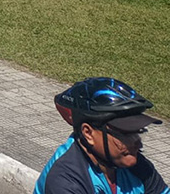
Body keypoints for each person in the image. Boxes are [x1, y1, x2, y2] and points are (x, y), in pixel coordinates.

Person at [35, 77, 166, 194]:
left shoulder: (137, 165)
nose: (138, 144)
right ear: (88, 133)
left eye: (138, 133)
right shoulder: (65, 181)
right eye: (125, 135)